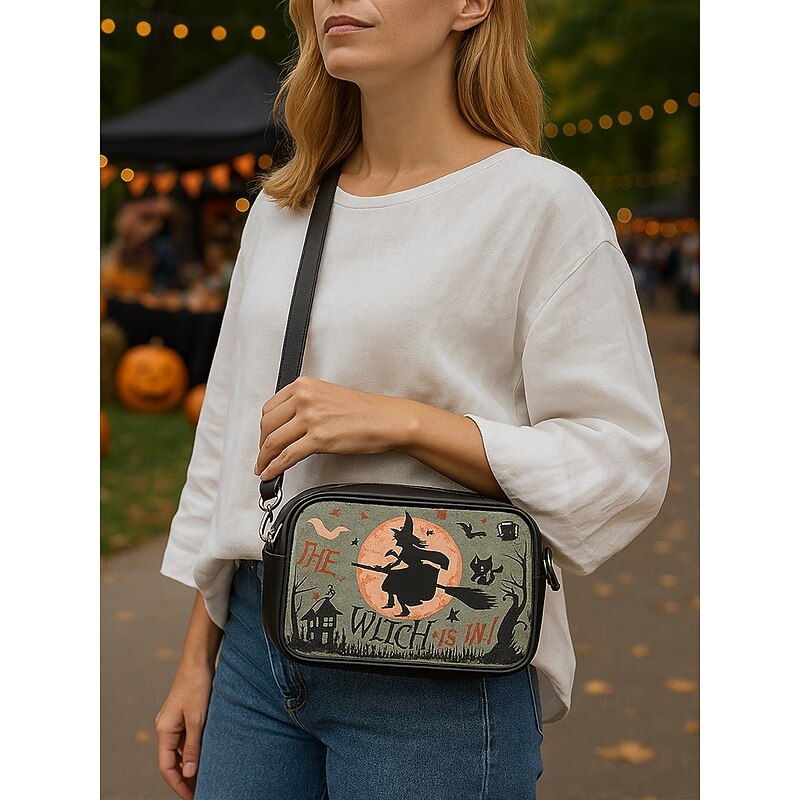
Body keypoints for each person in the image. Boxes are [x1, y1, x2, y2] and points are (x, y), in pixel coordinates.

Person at [155, 2, 671, 799]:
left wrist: (404, 423)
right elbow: (228, 445)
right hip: (258, 655)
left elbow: (621, 458)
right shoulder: (285, 208)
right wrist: (198, 659)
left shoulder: (541, 207)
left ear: (472, 6)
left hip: (436, 660)